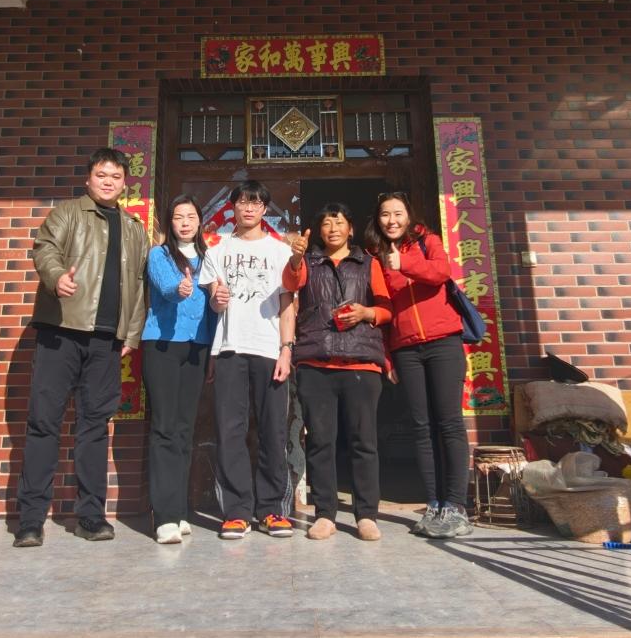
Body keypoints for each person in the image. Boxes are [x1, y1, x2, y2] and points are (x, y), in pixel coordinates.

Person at [13, 148, 149, 548]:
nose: (108, 182)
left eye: (116, 176)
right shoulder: (67, 213)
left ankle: (91, 516)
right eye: (101, 175)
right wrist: (56, 277)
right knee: (44, 423)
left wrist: (131, 336)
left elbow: (139, 286)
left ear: (125, 183)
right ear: (88, 178)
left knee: (95, 428)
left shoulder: (134, 228)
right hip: (61, 331)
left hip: (107, 341)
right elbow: (44, 249)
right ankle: (31, 520)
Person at [365, 191, 471, 539]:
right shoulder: (375, 257)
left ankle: (456, 505)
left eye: (398, 213)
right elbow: (383, 309)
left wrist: (404, 264)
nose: (391, 220)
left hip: (443, 342)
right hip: (406, 348)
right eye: (385, 214)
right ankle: (434, 504)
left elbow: (440, 273)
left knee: (449, 423)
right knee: (421, 426)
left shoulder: (428, 242)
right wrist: (387, 356)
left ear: (408, 216)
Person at [283, 203, 392, 541]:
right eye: (326, 223)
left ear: (351, 229)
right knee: (320, 441)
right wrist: (296, 258)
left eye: (339, 222)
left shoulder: (368, 263)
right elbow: (290, 282)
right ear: (318, 231)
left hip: (361, 363)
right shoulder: (309, 263)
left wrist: (366, 313)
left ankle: (366, 515)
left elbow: (387, 308)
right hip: (316, 363)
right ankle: (325, 514)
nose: (333, 229)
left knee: (364, 442)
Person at [199, 180, 296, 540]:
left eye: (256, 203)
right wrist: (218, 300)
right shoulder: (217, 250)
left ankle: (272, 510)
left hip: (270, 350)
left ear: (265, 209)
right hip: (230, 349)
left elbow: (287, 305)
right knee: (230, 431)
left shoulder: (280, 251)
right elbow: (214, 301)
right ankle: (237, 512)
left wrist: (286, 349)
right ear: (234, 207)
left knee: (273, 430)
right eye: (243, 202)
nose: (249, 208)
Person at [141, 194, 216, 544]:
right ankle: (164, 516)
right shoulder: (159, 255)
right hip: (162, 345)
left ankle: (180, 509)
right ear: (169, 223)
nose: (185, 223)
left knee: (185, 430)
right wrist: (179, 287)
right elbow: (166, 287)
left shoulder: (210, 258)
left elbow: (215, 307)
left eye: (190, 216)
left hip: (198, 347)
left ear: (200, 221)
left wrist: (213, 351)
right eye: (178, 217)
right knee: (164, 428)